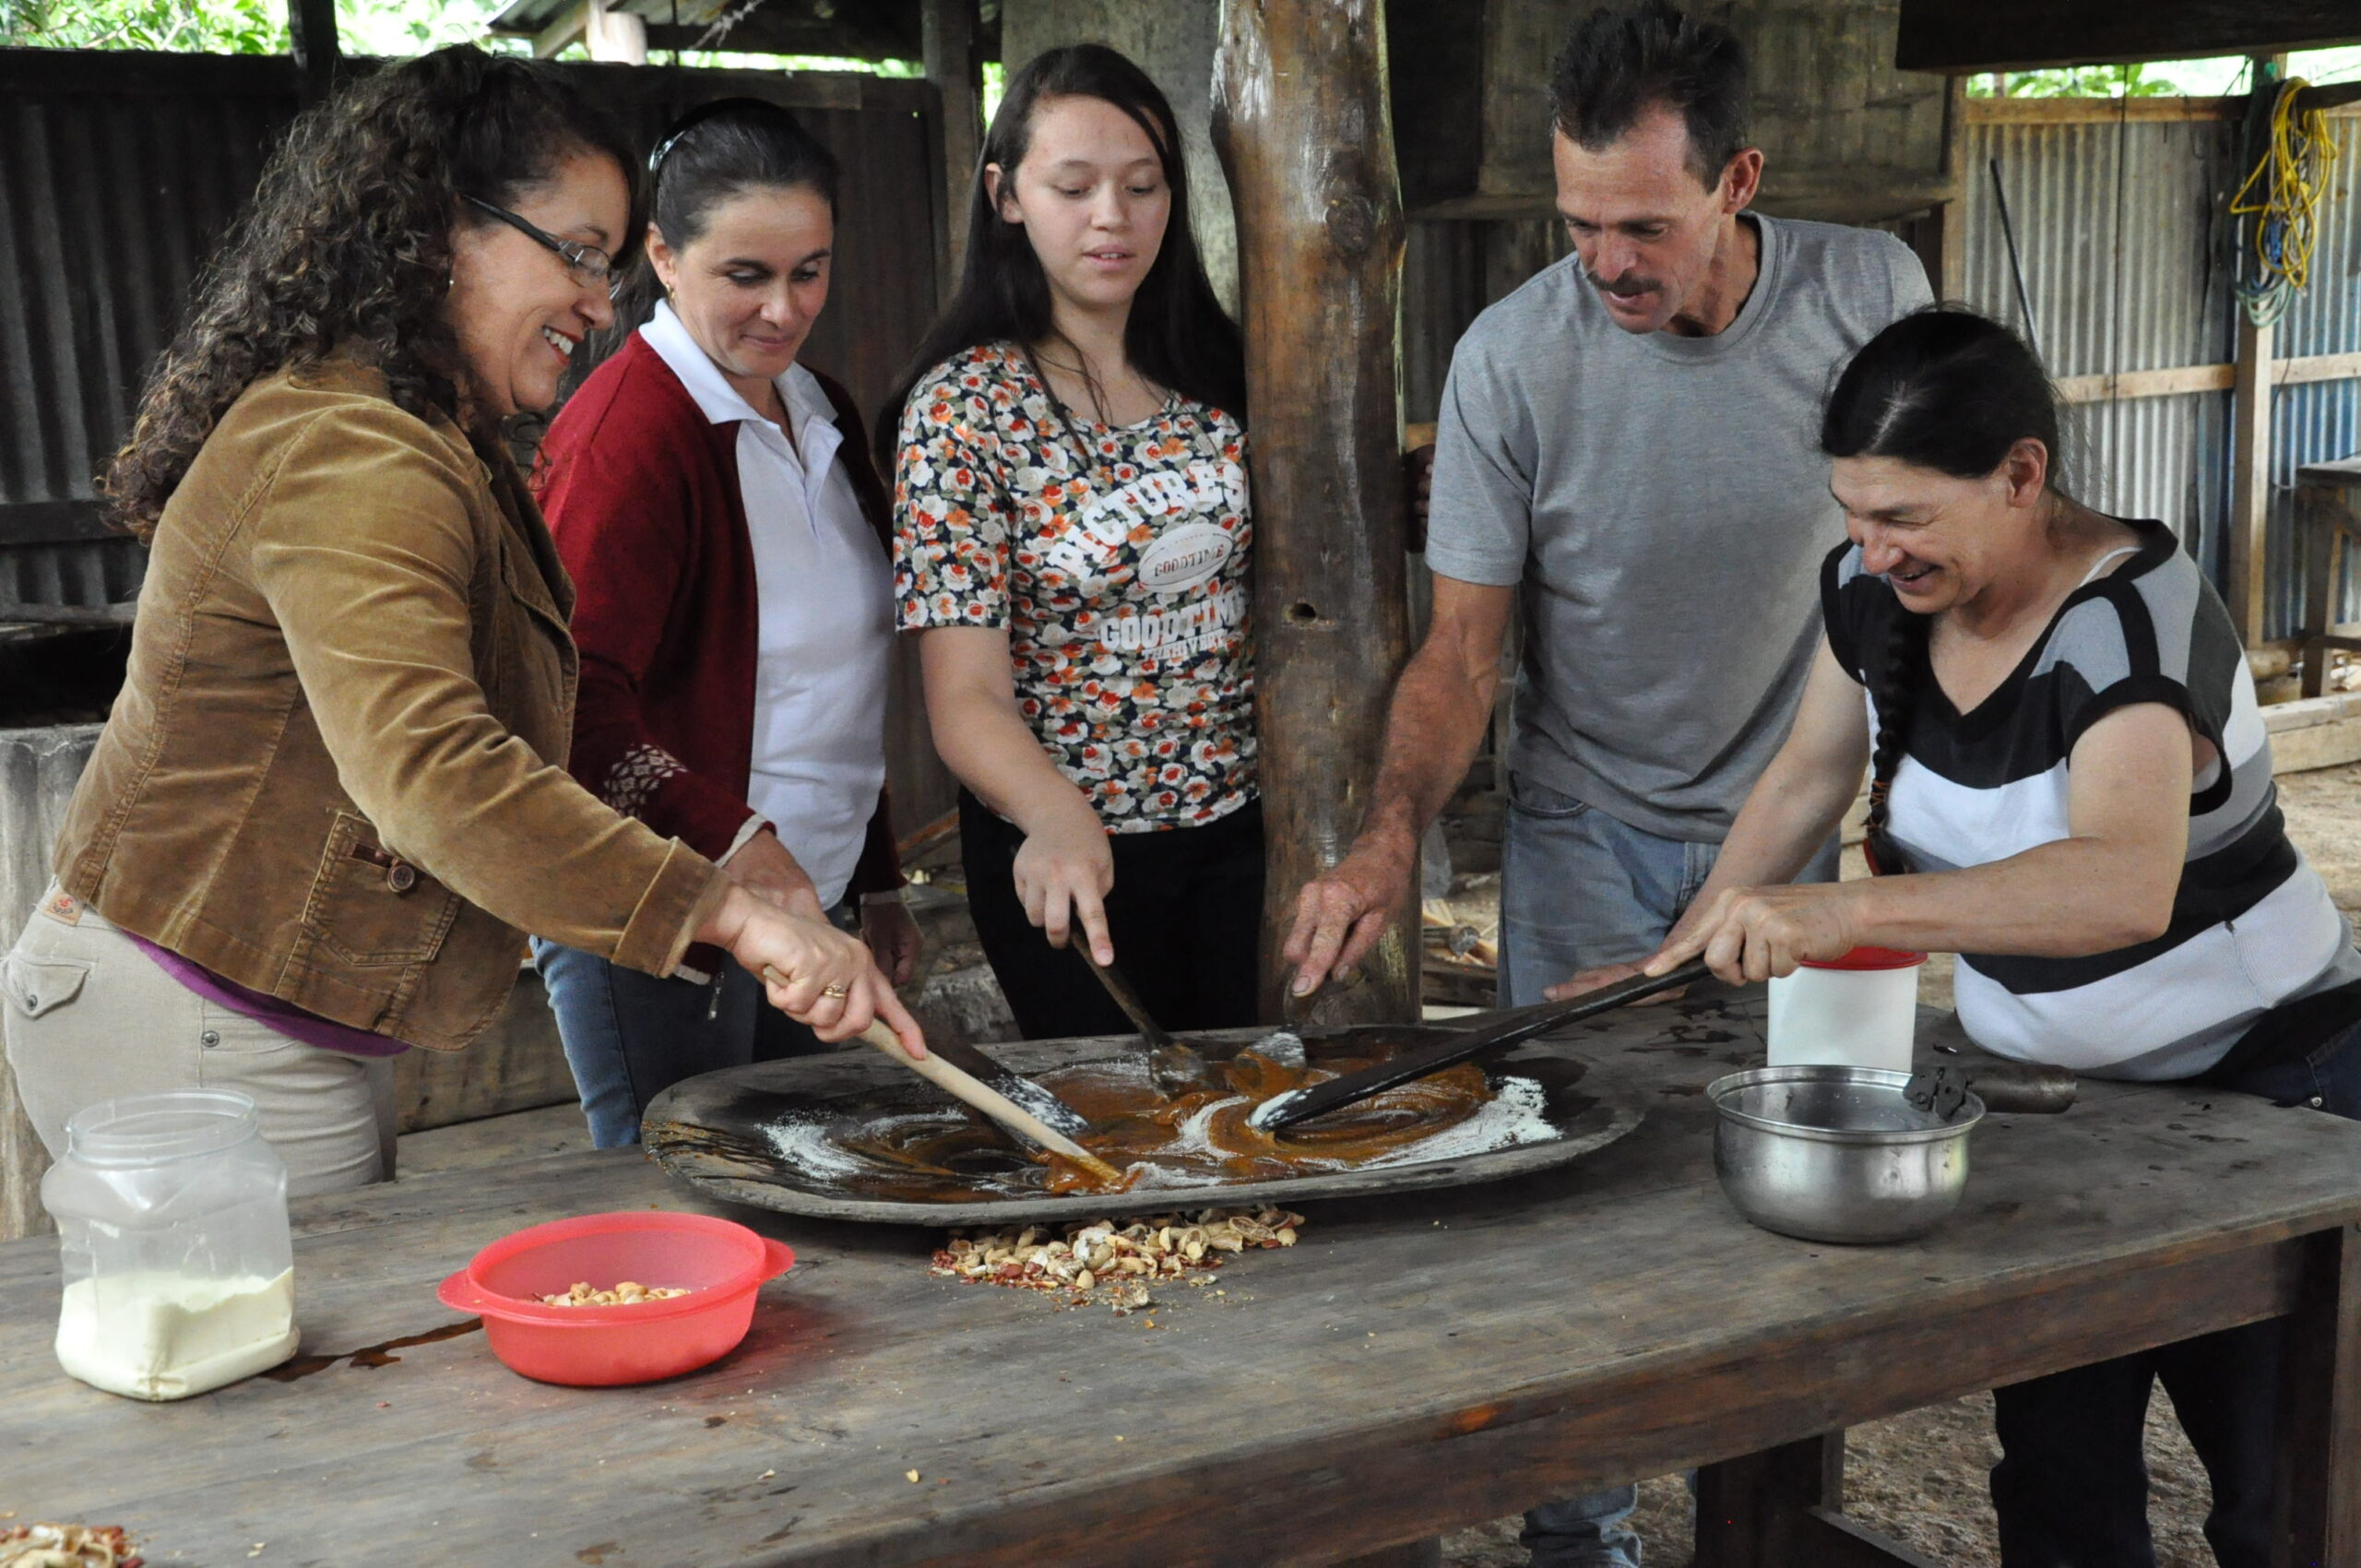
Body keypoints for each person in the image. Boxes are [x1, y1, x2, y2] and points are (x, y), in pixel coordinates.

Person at [0, 48, 922, 1199]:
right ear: (440, 230)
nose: (599, 300)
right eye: (579, 254)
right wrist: (725, 904)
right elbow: (433, 765)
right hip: (193, 1013)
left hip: (249, 1006)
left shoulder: (418, 429)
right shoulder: (351, 447)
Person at [1279, 4, 1930, 1562]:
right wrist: (1388, 841)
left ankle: (1766, 1516)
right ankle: (1582, 1541)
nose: (1608, 261)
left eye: (1643, 223)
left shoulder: (1874, 298)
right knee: (1578, 1202)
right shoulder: (1515, 358)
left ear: (1738, 183)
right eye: (1579, 224)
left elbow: (1915, 575)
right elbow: (1458, 657)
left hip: (1790, 825)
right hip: (1584, 832)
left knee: (1791, 1196)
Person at [1643, 305, 2361, 1567]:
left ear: (2023, 476)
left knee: (2279, 1486)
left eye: (1906, 517)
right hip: (2057, 1100)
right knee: (2063, 1488)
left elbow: (2118, 888)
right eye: (1854, 513)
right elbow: (1810, 774)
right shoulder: (1877, 598)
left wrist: (1845, 911)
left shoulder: (2131, 622)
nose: (1871, 551)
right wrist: (1684, 944)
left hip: (2269, 1093)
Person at [529, 99, 921, 1147]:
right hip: (664, 910)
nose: (784, 310)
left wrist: (873, 881)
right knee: (690, 1186)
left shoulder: (823, 409)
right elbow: (567, 702)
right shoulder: (627, 435)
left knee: (818, 1193)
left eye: (809, 270)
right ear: (661, 252)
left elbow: (836, 675)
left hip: (814, 900)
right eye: (745, 274)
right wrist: (742, 851)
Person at [883, 43, 1257, 1040]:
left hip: (1249, 835)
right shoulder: (964, 408)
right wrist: (1051, 812)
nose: (1112, 217)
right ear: (1006, 196)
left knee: (1263, 1119)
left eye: (1143, 186)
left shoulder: (1224, 375)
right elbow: (963, 692)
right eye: (1074, 186)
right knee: (1125, 1142)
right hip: (1066, 854)